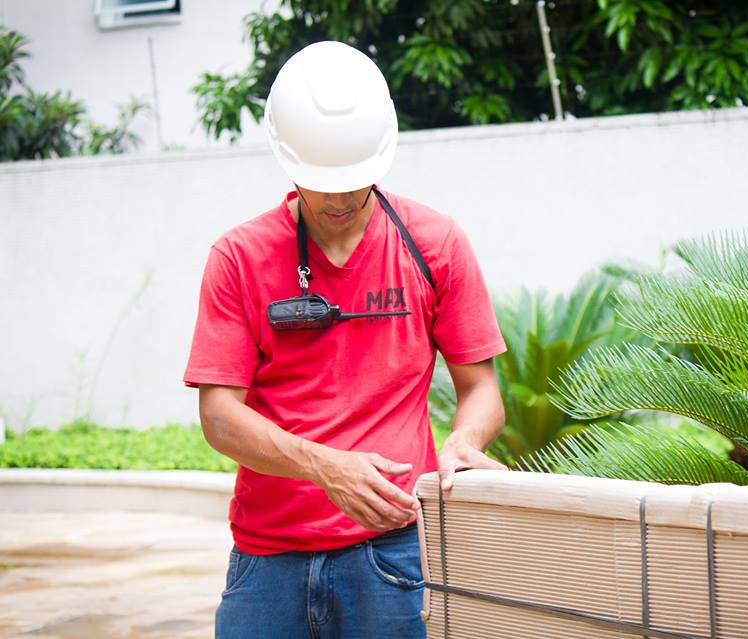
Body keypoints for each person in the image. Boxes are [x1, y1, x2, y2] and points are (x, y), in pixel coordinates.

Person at [183, 40, 508, 639]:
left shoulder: (435, 243)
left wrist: (466, 439)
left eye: (354, 178)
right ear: (285, 156)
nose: (339, 198)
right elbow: (219, 416)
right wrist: (324, 466)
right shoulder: (238, 257)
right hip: (266, 560)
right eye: (320, 180)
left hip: (396, 554)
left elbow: (480, 386)